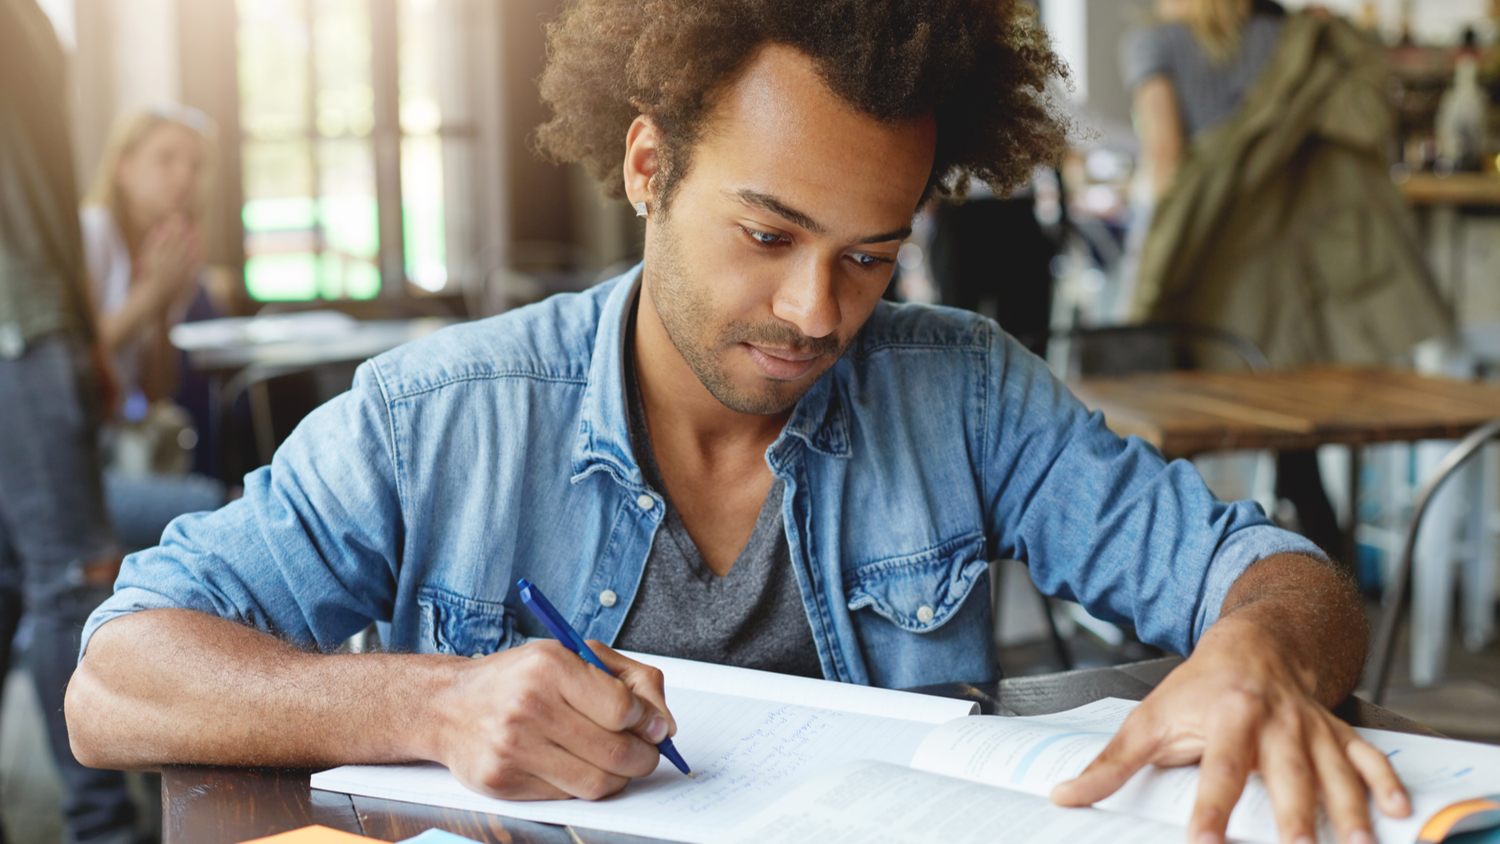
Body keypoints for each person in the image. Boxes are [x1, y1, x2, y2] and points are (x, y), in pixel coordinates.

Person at [69, 3, 1409, 843]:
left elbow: (1288, 582)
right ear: (649, 168)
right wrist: (431, 700)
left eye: (872, 254)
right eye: (768, 234)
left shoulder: (963, 388)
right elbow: (114, 682)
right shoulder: (443, 415)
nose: (816, 312)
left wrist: (1258, 657)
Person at [1121, 0, 1453, 558]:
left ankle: (1197, 581)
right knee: (1290, 439)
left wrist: (1144, 261)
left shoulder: (1154, 43)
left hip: (1207, 274)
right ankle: (1328, 574)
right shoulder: (1293, 38)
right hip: (1281, 279)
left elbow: (1166, 160)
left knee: (1169, 430)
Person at [0, 1, 147, 842]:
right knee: (73, 579)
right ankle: (103, 827)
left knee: (21, 582)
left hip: (38, 324)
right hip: (24, 329)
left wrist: (90, 333)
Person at [80, 105, 226, 552]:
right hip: (79, 467)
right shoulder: (92, 234)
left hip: (115, 453)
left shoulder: (165, 253)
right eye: (165, 159)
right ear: (122, 167)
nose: (183, 177)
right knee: (220, 513)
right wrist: (150, 293)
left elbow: (157, 388)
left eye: (194, 165)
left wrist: (163, 307)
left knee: (224, 507)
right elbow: (73, 360)